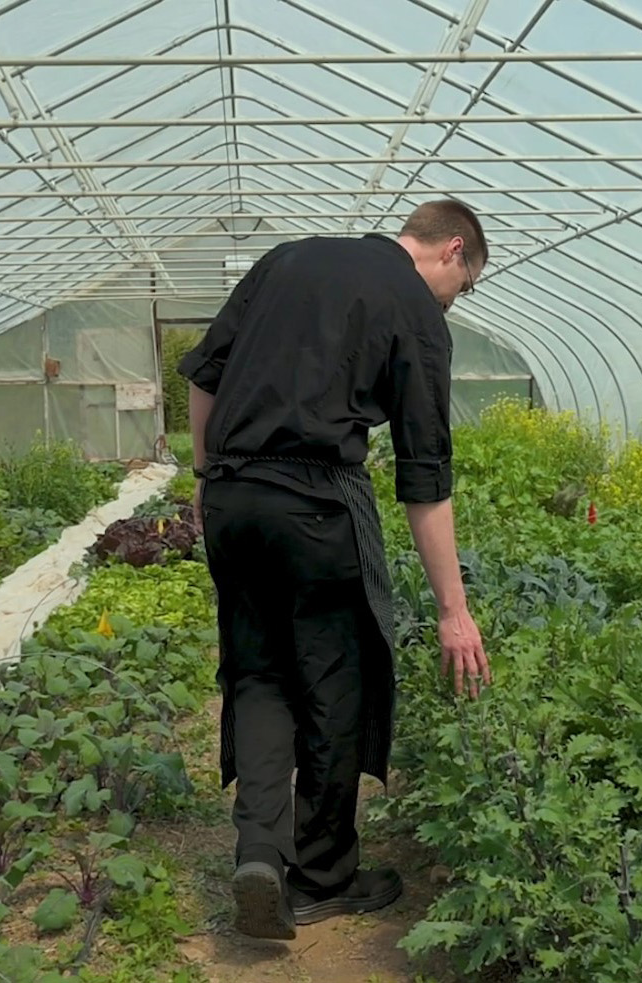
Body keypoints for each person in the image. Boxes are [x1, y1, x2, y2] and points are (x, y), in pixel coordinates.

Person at [176, 199, 493, 941]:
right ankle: (321, 877)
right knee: (333, 683)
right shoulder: (415, 309)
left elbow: (203, 374)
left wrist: (204, 471)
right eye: (466, 284)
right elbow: (424, 477)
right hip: (316, 506)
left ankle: (259, 852)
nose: (456, 299)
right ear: (452, 249)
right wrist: (453, 610)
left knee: (257, 673)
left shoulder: (287, 258)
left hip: (232, 496)